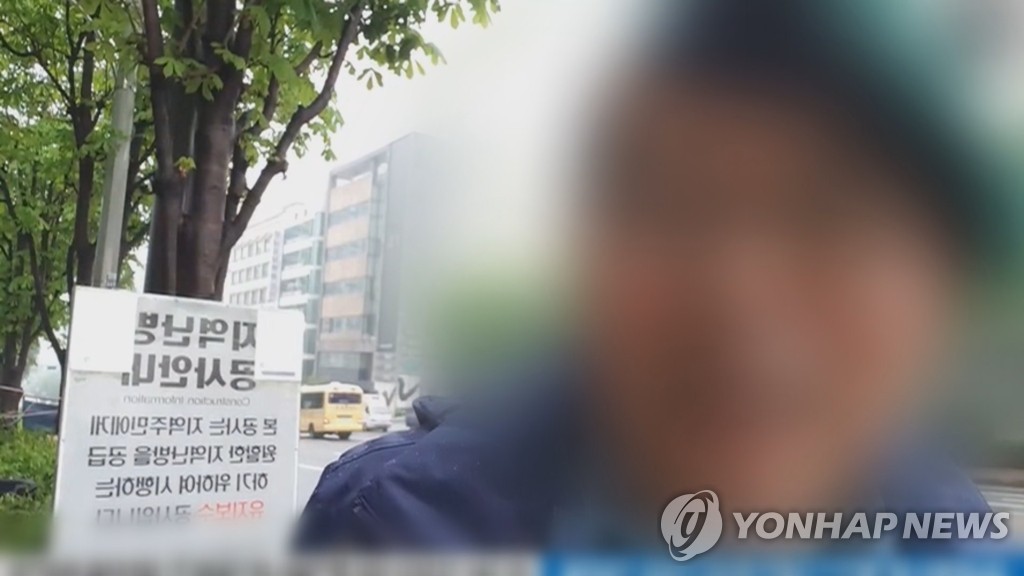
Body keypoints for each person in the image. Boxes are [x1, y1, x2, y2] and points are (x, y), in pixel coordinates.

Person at [296, 0, 1018, 551]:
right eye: (678, 205)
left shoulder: (957, 541)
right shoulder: (391, 522)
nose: (739, 289)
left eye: (828, 215)